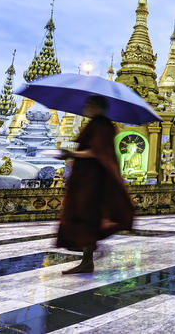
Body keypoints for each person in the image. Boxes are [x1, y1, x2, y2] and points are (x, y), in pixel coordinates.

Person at [57, 95, 134, 274]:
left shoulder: (101, 125)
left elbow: (96, 152)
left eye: (90, 104)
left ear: (99, 107)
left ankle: (87, 261)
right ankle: (86, 260)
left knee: (88, 216)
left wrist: (72, 154)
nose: (87, 107)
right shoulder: (97, 124)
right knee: (84, 217)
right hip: (86, 177)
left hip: (93, 179)